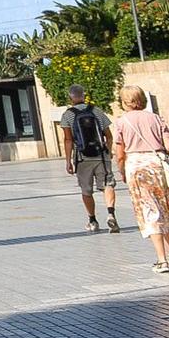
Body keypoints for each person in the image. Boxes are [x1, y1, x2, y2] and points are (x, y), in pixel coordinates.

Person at [110, 85, 169, 271]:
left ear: (124, 102)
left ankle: (162, 260)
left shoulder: (121, 122)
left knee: (149, 211)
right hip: (157, 166)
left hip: (136, 168)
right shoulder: (156, 118)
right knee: (165, 208)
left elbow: (119, 153)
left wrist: (122, 171)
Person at [57, 85, 120, 233]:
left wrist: (68, 161)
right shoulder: (96, 111)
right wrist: (109, 151)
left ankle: (92, 220)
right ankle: (111, 213)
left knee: (86, 190)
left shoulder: (67, 115)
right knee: (108, 184)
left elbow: (68, 140)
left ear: (70, 97)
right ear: (84, 95)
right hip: (101, 156)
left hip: (82, 157)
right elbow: (108, 135)